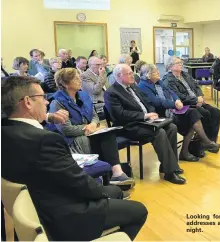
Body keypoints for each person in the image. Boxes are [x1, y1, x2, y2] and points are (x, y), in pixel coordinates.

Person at [1, 76, 147, 241]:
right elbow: (78, 183)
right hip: (63, 214)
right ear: (28, 102)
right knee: (138, 210)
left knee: (114, 190)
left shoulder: (5, 131)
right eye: (42, 97)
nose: (47, 102)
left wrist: (48, 117)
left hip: (37, 202)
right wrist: (100, 192)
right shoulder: (45, 140)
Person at [49, 68, 134, 185]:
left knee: (108, 134)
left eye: (79, 78)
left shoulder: (83, 96)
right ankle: (105, 179)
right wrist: (87, 128)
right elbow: (66, 129)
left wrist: (93, 125)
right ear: (65, 84)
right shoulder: (57, 102)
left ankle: (116, 173)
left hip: (90, 131)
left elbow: (95, 116)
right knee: (97, 139)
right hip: (72, 139)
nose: (80, 81)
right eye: (76, 79)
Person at [104, 64, 186, 184]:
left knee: (171, 127)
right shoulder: (112, 92)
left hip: (146, 122)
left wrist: (152, 112)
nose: (133, 75)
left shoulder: (134, 87)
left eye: (132, 73)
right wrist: (143, 116)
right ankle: (170, 172)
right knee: (159, 132)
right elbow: (119, 114)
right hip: (128, 126)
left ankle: (167, 165)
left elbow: (147, 102)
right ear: (118, 76)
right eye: (129, 74)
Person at [138, 64, 220, 161]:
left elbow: (171, 92)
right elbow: (157, 101)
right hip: (160, 114)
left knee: (193, 113)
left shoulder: (158, 82)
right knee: (193, 116)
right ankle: (204, 143)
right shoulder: (143, 86)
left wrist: (177, 100)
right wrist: (174, 104)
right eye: (155, 71)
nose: (158, 72)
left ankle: (189, 150)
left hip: (172, 109)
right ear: (148, 75)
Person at [163, 56, 220, 146]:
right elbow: (178, 96)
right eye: (177, 63)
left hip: (196, 100)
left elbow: (196, 85)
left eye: (180, 62)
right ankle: (202, 142)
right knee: (205, 113)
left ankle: (212, 140)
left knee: (216, 111)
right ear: (170, 67)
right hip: (186, 104)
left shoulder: (185, 74)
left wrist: (200, 96)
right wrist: (195, 100)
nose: (180, 64)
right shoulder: (168, 79)